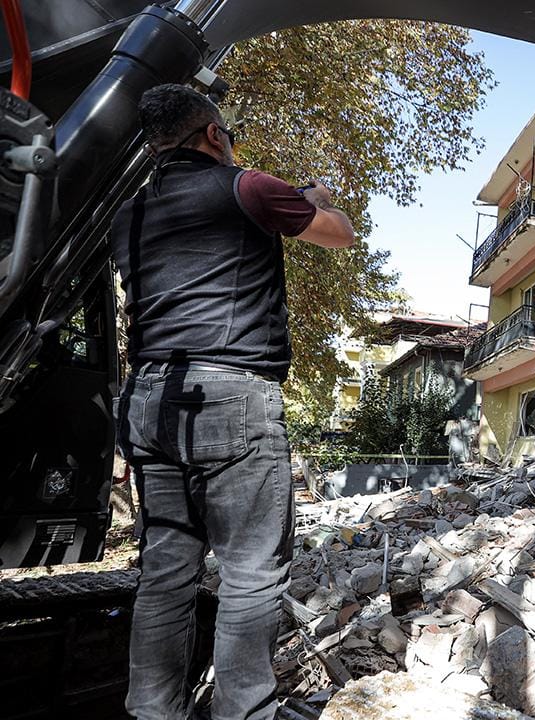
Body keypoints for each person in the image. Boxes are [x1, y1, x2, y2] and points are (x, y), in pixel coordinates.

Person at [110, 83, 354, 720]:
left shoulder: (127, 214)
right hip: (231, 398)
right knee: (249, 574)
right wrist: (317, 198)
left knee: (165, 574)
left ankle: (151, 713)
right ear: (215, 135)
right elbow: (339, 235)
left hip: (150, 398)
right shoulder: (248, 187)